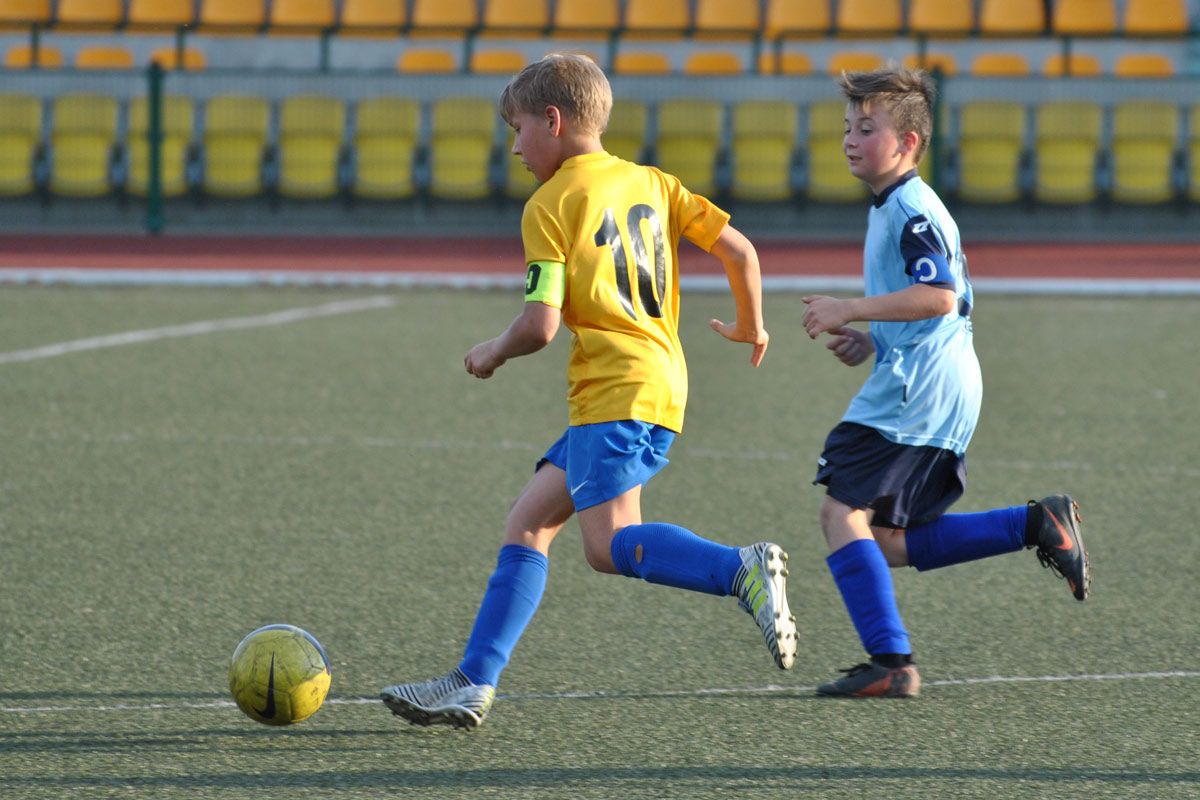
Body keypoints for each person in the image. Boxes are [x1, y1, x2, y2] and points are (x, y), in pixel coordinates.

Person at [380, 53, 797, 729]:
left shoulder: (549, 204)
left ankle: (739, 568)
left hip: (614, 389)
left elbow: (540, 325)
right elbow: (740, 251)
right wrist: (752, 324)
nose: (514, 147)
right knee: (529, 521)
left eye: (518, 129)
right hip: (658, 380)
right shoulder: (652, 182)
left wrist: (492, 351)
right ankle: (472, 681)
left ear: (553, 120)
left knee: (608, 546)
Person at [799, 65, 1091, 699]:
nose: (850, 139)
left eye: (866, 128)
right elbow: (936, 307)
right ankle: (1035, 524)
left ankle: (892, 662)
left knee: (840, 511)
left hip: (920, 390)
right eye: (847, 127)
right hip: (936, 383)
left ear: (908, 142)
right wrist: (872, 340)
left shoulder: (909, 207)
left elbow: (938, 296)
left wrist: (849, 309)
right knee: (885, 539)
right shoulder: (897, 204)